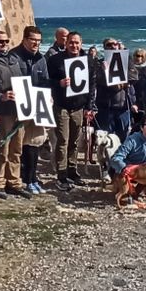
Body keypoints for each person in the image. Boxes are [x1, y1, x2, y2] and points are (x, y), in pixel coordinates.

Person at [0, 25, 40, 199]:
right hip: (3, 111)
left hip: (19, 109)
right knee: (2, 148)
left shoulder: (14, 59)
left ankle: (14, 182)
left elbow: (24, 81)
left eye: (6, 41)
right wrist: (1, 96)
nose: (3, 44)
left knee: (17, 148)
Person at [49, 31, 94, 191]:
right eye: (71, 42)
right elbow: (47, 81)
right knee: (63, 140)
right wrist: (58, 83)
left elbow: (92, 85)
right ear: (66, 43)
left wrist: (89, 107)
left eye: (77, 42)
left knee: (75, 141)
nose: (74, 45)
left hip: (79, 107)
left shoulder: (88, 61)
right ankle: (61, 174)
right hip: (61, 105)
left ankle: (72, 170)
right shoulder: (55, 60)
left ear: (81, 44)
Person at [93, 38, 135, 141]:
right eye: (109, 45)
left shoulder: (126, 62)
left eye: (115, 44)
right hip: (105, 108)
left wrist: (121, 84)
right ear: (104, 47)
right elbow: (99, 80)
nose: (112, 46)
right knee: (106, 140)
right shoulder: (99, 63)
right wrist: (104, 71)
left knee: (124, 138)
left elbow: (134, 77)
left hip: (123, 108)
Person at [106, 119, 146, 185]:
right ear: (142, 128)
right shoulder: (132, 140)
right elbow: (116, 158)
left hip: (144, 173)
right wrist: (123, 168)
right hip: (127, 172)